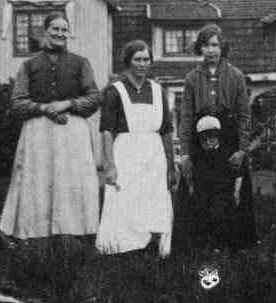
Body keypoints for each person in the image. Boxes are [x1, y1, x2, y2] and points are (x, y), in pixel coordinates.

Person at [0, 12, 101, 240]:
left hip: (72, 131)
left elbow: (94, 98)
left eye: (64, 29)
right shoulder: (29, 65)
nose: (60, 34)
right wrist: (43, 108)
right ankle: (36, 235)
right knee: (38, 182)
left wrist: (68, 104)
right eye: (55, 29)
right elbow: (17, 103)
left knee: (72, 181)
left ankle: (75, 233)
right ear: (45, 32)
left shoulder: (80, 63)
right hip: (38, 133)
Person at [177, 24, 256, 249]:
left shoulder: (236, 76)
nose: (211, 50)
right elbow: (186, 117)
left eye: (215, 45)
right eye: (206, 45)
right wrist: (185, 154)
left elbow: (244, 116)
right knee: (198, 194)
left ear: (222, 47)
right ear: (200, 48)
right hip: (200, 142)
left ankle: (233, 248)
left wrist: (242, 150)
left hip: (229, 142)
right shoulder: (192, 78)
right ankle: (198, 247)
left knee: (230, 193)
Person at [96, 40, 177, 257]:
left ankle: (152, 248)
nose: (142, 64)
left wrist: (171, 166)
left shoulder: (158, 91)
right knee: (126, 200)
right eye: (137, 59)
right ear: (128, 62)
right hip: (126, 154)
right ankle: (124, 249)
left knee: (154, 201)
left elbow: (167, 131)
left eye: (146, 59)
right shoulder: (115, 91)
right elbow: (106, 130)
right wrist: (109, 164)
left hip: (154, 155)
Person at [189, 115, 245, 249]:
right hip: (203, 192)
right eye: (204, 140)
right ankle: (204, 245)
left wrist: (236, 192)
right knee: (201, 215)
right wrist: (192, 187)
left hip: (222, 192)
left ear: (218, 137)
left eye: (211, 138)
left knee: (220, 216)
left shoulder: (227, 153)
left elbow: (238, 173)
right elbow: (193, 175)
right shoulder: (198, 155)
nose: (208, 143)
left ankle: (221, 246)